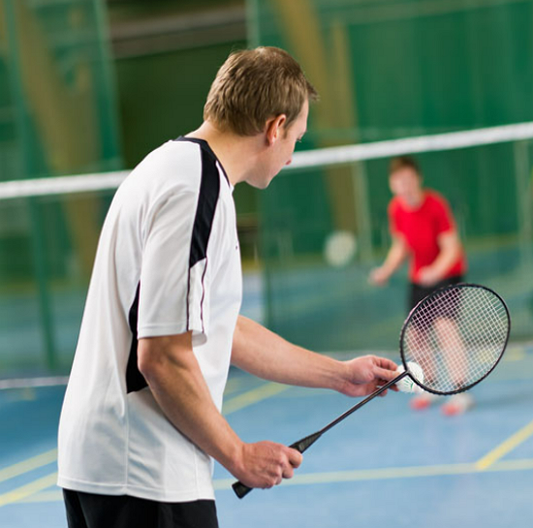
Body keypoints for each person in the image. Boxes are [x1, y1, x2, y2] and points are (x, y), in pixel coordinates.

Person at [58, 46, 400, 528]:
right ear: (274, 127)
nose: (291, 154)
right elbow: (161, 354)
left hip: (109, 464)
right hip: (143, 470)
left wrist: (341, 375)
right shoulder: (196, 188)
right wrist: (237, 455)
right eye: (296, 138)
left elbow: (218, 328)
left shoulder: (171, 168)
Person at [369, 155, 472, 416]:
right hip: (419, 277)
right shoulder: (396, 209)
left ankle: (460, 391)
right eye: (397, 180)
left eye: (407, 178)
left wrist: (435, 270)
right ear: (392, 184)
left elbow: (452, 247)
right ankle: (432, 386)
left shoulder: (436, 204)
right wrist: (386, 270)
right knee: (416, 334)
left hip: (447, 274)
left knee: (445, 327)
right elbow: (401, 245)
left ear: (417, 178)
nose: (403, 184)